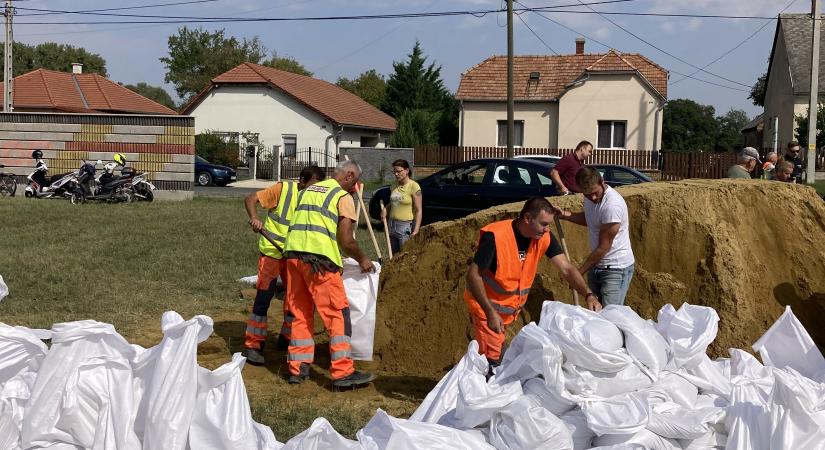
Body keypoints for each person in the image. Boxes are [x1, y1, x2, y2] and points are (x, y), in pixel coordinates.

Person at [464, 197, 601, 364]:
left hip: (507, 313)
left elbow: (567, 268)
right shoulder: (496, 237)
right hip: (486, 310)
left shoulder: (544, 237)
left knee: (499, 359)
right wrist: (489, 312)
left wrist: (588, 295)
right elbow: (473, 275)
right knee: (493, 361)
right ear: (527, 218)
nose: (546, 229)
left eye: (548, 224)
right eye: (543, 224)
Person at [282, 159, 376, 388]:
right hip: (320, 263)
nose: (355, 187)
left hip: (294, 257)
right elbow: (346, 240)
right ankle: (343, 372)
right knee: (337, 315)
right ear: (350, 176)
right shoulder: (342, 197)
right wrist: (363, 259)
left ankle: (298, 368)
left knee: (300, 313)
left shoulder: (308, 190)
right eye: (356, 182)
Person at [242, 165, 326, 365]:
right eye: (311, 185)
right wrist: (255, 218)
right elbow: (250, 199)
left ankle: (287, 338)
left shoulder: (316, 197)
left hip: (295, 255)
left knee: (295, 300)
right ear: (302, 182)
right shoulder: (284, 190)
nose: (313, 190)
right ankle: (253, 345)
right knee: (264, 297)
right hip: (272, 253)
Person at [556, 167, 635, 306]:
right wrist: (564, 214)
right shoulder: (591, 198)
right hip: (597, 266)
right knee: (596, 314)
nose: (592, 198)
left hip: (615, 269)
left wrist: (578, 273)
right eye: (587, 195)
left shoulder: (612, 205)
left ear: (601, 181)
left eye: (595, 193)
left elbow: (603, 247)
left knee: (611, 316)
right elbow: (591, 219)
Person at [380, 159, 422, 254]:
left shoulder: (414, 187)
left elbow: (419, 210)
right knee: (393, 255)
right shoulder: (394, 185)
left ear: (407, 171)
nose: (396, 174)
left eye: (398, 171)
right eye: (394, 172)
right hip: (391, 224)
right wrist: (385, 209)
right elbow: (395, 201)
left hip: (405, 227)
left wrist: (416, 230)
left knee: (405, 255)